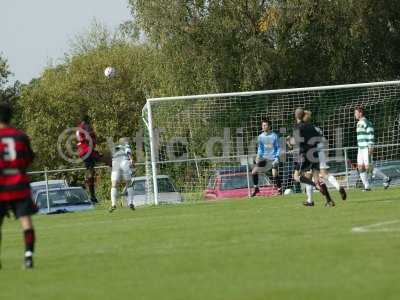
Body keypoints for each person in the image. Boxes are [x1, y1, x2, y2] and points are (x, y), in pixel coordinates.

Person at [0, 103, 37, 269]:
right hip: (19, 184)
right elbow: (29, 159)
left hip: (1, 185)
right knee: (26, 221)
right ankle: (28, 256)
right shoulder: (20, 136)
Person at [291, 108, 335, 207]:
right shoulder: (310, 126)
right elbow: (318, 139)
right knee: (317, 180)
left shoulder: (297, 126)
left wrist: (290, 141)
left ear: (296, 115)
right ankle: (329, 200)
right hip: (315, 154)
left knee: (296, 176)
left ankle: (315, 188)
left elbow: (297, 141)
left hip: (304, 155)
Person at [303, 110, 347, 200]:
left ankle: (310, 200)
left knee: (308, 176)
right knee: (324, 174)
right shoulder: (317, 128)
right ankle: (339, 187)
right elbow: (324, 141)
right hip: (320, 151)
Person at [354, 106, 391, 191]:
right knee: (360, 167)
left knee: (369, 168)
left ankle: (386, 178)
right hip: (360, 148)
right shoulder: (359, 123)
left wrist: (370, 146)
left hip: (366, 148)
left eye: (356, 113)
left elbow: (371, 134)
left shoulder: (366, 122)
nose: (355, 115)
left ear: (360, 113)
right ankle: (367, 186)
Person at [251, 118, 282, 197]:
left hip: (273, 158)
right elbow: (260, 148)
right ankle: (256, 188)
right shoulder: (260, 137)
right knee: (254, 172)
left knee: (274, 173)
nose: (264, 126)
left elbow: (278, 147)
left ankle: (279, 190)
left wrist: (277, 158)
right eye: (263, 125)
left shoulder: (274, 136)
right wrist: (258, 156)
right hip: (264, 159)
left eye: (265, 125)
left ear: (269, 126)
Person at [76, 113, 101, 203]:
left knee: (91, 171)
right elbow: (88, 137)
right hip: (87, 151)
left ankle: (89, 188)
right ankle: (91, 195)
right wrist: (94, 140)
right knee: (91, 172)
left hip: (84, 151)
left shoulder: (80, 127)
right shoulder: (85, 126)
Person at [109, 137, 135, 212]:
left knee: (114, 185)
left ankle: (113, 204)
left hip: (115, 164)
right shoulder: (126, 145)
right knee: (129, 183)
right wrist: (131, 160)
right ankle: (130, 203)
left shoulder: (116, 148)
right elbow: (128, 152)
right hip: (124, 162)